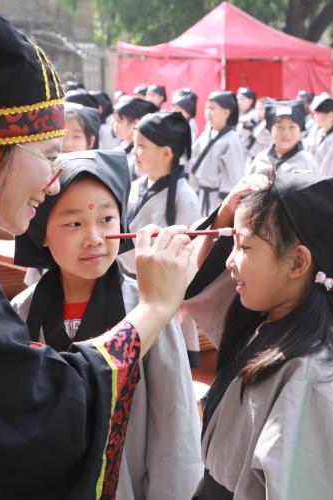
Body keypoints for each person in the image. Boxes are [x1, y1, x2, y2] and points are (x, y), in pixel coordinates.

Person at [0, 8, 193, 499]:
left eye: (106, 218)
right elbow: (37, 407)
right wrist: (155, 308)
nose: (53, 184)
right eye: (48, 156)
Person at [183, 171, 333, 499]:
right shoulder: (268, 318)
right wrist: (223, 217)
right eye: (232, 242)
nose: (229, 262)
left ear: (297, 262)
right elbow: (202, 286)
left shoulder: (308, 372)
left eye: (244, 246)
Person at [12, 149, 202, 500]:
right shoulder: (20, 312)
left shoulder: (146, 310)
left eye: (107, 219)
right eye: (74, 223)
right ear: (42, 233)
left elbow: (175, 429)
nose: (94, 238)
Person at [119, 111, 204, 366]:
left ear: (166, 153)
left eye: (142, 146)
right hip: (131, 290)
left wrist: (179, 308)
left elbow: (191, 255)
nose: (135, 152)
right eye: (134, 145)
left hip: (166, 294)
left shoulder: (184, 196)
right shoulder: (135, 187)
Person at [189, 90, 246, 216]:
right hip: (201, 194)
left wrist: (228, 201)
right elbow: (193, 159)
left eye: (212, 108)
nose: (207, 112)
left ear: (226, 112)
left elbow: (234, 175)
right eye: (206, 108)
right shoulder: (207, 133)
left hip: (218, 199)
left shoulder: (232, 139)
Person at [245, 99, 318, 176]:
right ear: (270, 130)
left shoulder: (307, 164)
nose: (286, 133)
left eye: (291, 127)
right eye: (279, 127)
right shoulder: (260, 160)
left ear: (300, 130)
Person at [113, 96, 159, 180]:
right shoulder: (119, 149)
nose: (115, 126)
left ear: (136, 124)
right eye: (114, 121)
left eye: (119, 121)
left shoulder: (142, 157)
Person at [236, 86, 258, 154]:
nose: (239, 102)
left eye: (242, 99)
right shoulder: (235, 114)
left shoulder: (254, 115)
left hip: (248, 154)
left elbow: (242, 134)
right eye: (238, 99)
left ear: (251, 101)